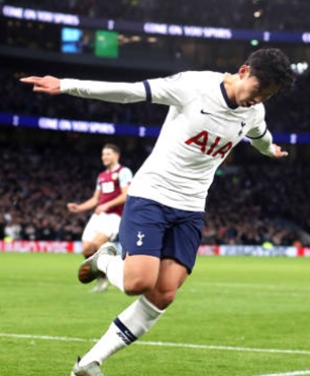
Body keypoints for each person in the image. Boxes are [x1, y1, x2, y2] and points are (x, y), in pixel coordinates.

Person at [21, 48, 294, 376]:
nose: (258, 99)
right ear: (243, 70)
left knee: (164, 293)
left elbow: (260, 137)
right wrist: (66, 84)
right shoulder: (193, 87)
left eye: (268, 95)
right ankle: (105, 260)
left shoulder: (254, 112)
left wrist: (271, 150)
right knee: (138, 282)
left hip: (191, 208)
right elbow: (129, 92)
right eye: (257, 89)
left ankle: (89, 363)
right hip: (151, 195)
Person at [67, 144, 132, 292]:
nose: (104, 157)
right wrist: (79, 207)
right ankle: (102, 280)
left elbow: (125, 195)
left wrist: (107, 205)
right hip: (99, 216)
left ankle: (117, 271)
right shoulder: (101, 176)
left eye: (108, 154)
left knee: (98, 244)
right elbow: (96, 199)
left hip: (115, 216)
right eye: (103, 154)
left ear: (116, 156)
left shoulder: (124, 172)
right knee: (87, 249)